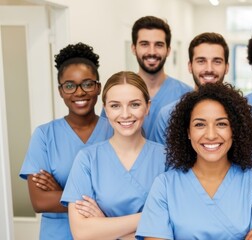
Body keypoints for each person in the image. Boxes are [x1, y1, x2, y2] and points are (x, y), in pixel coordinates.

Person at [136, 83, 252, 239]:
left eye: (221, 124)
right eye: (200, 124)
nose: (210, 135)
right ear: (188, 132)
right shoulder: (165, 186)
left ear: (234, 130)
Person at [19, 42, 113, 239]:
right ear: (61, 91)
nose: (79, 92)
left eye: (87, 83)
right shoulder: (44, 136)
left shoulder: (116, 130)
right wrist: (102, 201)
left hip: (106, 234)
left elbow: (129, 195)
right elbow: (40, 201)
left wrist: (62, 192)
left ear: (98, 88)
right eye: (69, 86)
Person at [61, 71, 167, 239]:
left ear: (148, 107)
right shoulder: (87, 159)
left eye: (134, 104)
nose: (125, 114)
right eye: (115, 105)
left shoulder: (167, 159)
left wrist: (104, 224)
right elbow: (81, 233)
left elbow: (174, 226)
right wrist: (149, 217)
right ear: (105, 109)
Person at [102, 16, 192, 139]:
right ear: (133, 48)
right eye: (144, 44)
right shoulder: (116, 93)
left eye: (159, 45)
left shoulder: (186, 95)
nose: (152, 52)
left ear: (168, 50)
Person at [150, 32, 229, 144]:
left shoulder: (241, 114)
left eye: (217, 61)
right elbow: (159, 159)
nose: (209, 69)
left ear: (226, 67)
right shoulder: (168, 116)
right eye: (201, 61)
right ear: (190, 66)